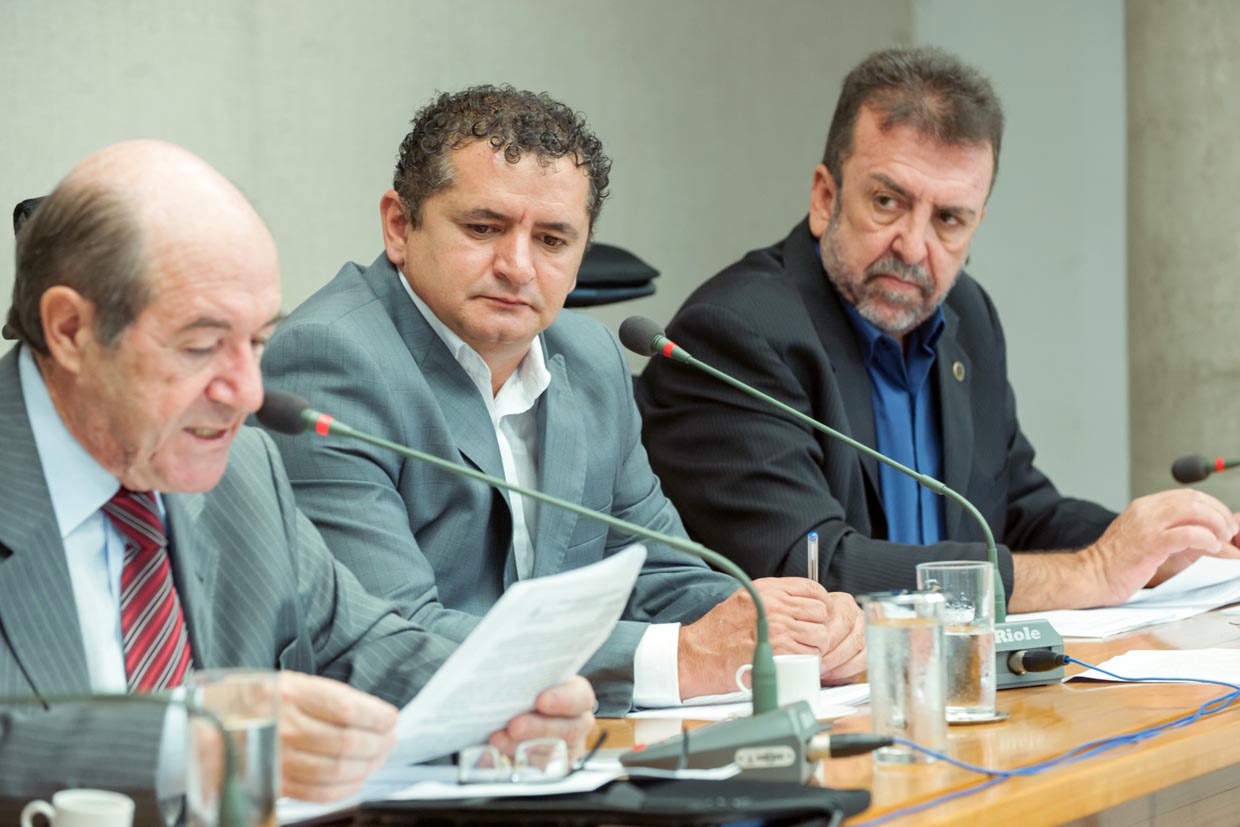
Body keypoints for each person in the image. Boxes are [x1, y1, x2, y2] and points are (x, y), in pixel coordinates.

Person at [0, 140, 594, 825]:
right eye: (201, 346)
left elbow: (365, 647)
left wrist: (505, 696)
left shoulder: (243, 472)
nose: (248, 393)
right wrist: (185, 743)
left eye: (256, 342)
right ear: (70, 329)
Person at [259, 85, 866, 714]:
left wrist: (786, 629)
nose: (518, 267)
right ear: (398, 226)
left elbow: (659, 575)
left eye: (552, 240)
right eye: (483, 228)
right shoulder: (328, 362)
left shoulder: (590, 358)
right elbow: (391, 635)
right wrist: (678, 658)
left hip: (564, 745)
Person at [637, 47, 1240, 612]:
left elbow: (1015, 512)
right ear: (825, 197)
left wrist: (1161, 550)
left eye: (949, 219)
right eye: (887, 202)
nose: (913, 246)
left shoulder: (965, 316)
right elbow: (815, 570)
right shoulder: (735, 334)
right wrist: (1092, 570)